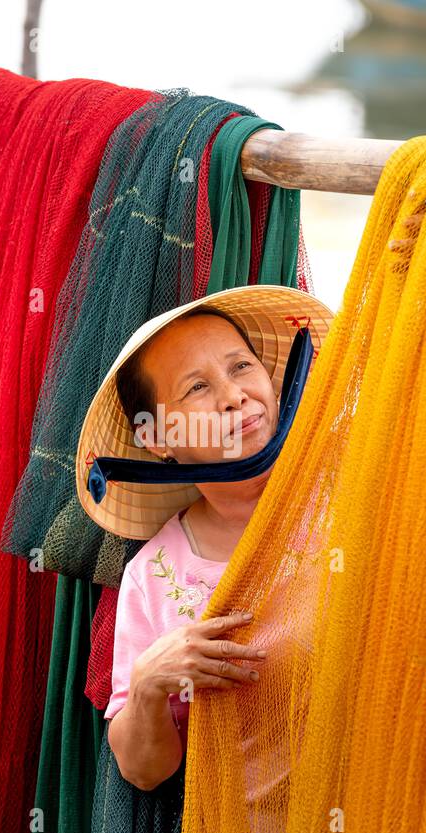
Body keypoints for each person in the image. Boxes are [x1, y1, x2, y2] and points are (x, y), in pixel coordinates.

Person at [74, 285, 334, 805]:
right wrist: (149, 683)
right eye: (197, 388)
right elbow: (145, 772)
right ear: (157, 440)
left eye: (241, 367)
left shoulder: (348, 491)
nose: (234, 395)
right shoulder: (153, 574)